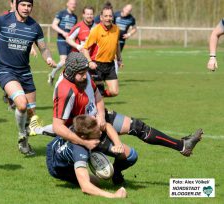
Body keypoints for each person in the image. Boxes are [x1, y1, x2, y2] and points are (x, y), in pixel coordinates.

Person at [43, 52, 203, 184]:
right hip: (85, 130)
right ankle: (111, 172)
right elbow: (58, 127)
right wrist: (84, 141)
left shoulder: (84, 75)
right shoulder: (64, 90)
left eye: (85, 72)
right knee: (130, 156)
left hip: (98, 117)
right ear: (70, 72)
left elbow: (98, 97)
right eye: (81, 74)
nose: (85, 76)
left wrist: (101, 116)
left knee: (138, 127)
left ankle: (182, 146)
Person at [0, 0, 56, 156]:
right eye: (23, 5)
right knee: (21, 104)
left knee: (31, 113)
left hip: (25, 73)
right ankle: (21, 134)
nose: (26, 8)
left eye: (29, 5)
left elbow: (43, 48)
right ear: (16, 5)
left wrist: (48, 58)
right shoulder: (2, 20)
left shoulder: (35, 26)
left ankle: (24, 142)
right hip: (4, 70)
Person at [47, 114, 131, 198]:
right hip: (58, 167)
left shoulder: (81, 125)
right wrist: (113, 196)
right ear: (84, 137)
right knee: (95, 182)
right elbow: (85, 187)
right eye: (97, 132)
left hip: (54, 145)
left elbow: (106, 126)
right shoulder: (80, 151)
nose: (101, 132)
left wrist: (118, 144)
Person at [82, 4, 122, 97]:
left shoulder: (116, 29)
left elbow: (117, 45)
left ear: (113, 17)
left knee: (114, 92)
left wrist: (119, 59)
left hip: (110, 65)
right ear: (101, 17)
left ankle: (100, 96)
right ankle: (96, 103)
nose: (108, 18)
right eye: (106, 16)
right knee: (96, 93)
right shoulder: (95, 30)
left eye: (110, 16)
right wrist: (90, 62)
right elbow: (85, 48)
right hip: (96, 66)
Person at [48, 0, 77, 86]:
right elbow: (53, 25)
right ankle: (52, 74)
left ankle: (66, 80)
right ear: (67, 4)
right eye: (71, 3)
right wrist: (63, 32)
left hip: (70, 42)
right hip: (62, 41)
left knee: (70, 62)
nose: (73, 5)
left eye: (75, 4)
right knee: (64, 61)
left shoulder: (75, 17)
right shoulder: (61, 13)